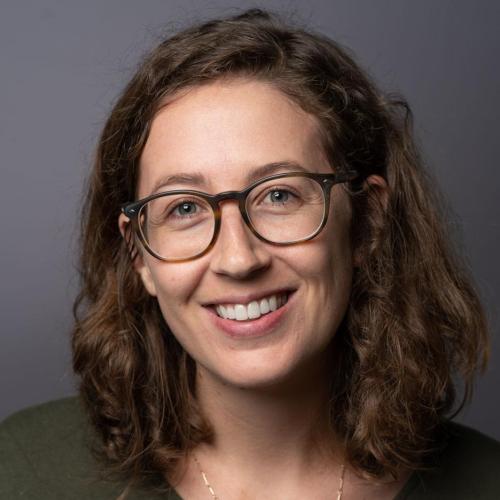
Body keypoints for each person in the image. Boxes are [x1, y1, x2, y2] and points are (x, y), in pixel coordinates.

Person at [1, 8, 499, 500]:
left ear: (367, 223)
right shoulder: (24, 470)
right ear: (139, 254)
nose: (239, 260)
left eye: (278, 195)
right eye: (184, 208)